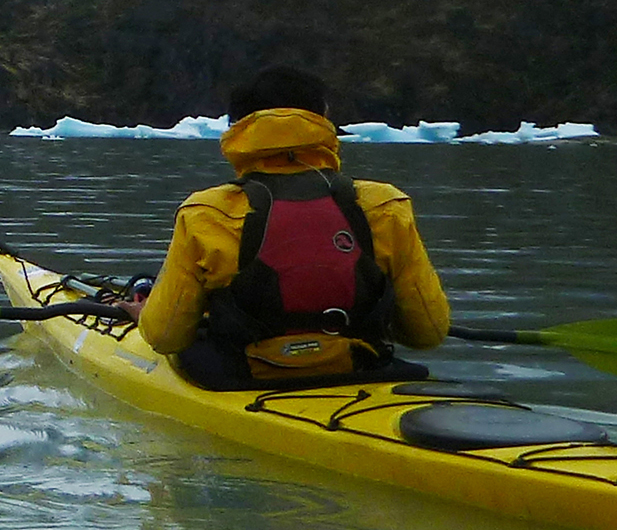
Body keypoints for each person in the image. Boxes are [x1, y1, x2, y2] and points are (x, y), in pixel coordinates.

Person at [124, 65, 451, 388]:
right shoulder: (385, 204)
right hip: (359, 370)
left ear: (237, 128)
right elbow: (428, 332)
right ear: (323, 119)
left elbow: (165, 337)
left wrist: (147, 314)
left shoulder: (206, 211)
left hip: (243, 378)